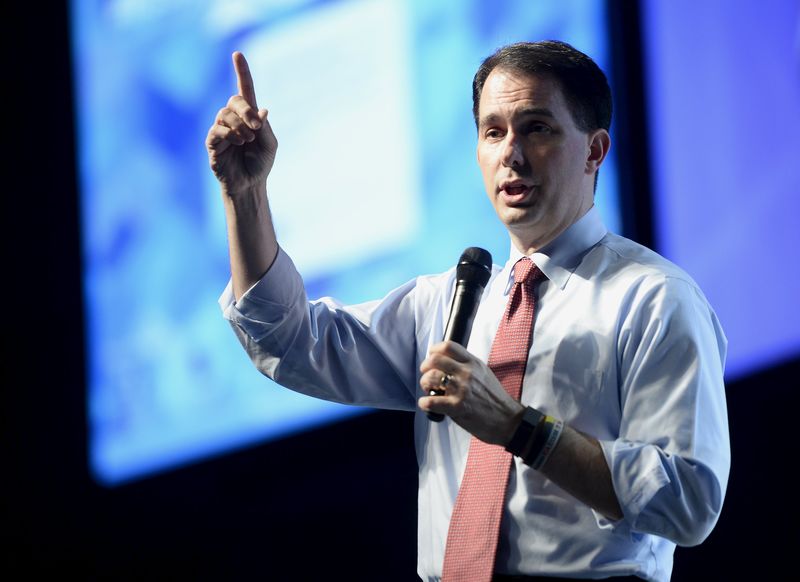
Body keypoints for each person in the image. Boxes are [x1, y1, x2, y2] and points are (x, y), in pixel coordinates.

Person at [208, 41, 730, 582]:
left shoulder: (654, 298)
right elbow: (291, 342)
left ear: (595, 150)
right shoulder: (446, 302)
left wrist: (517, 427)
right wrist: (245, 196)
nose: (512, 154)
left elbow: (688, 502)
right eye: (493, 131)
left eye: (537, 128)